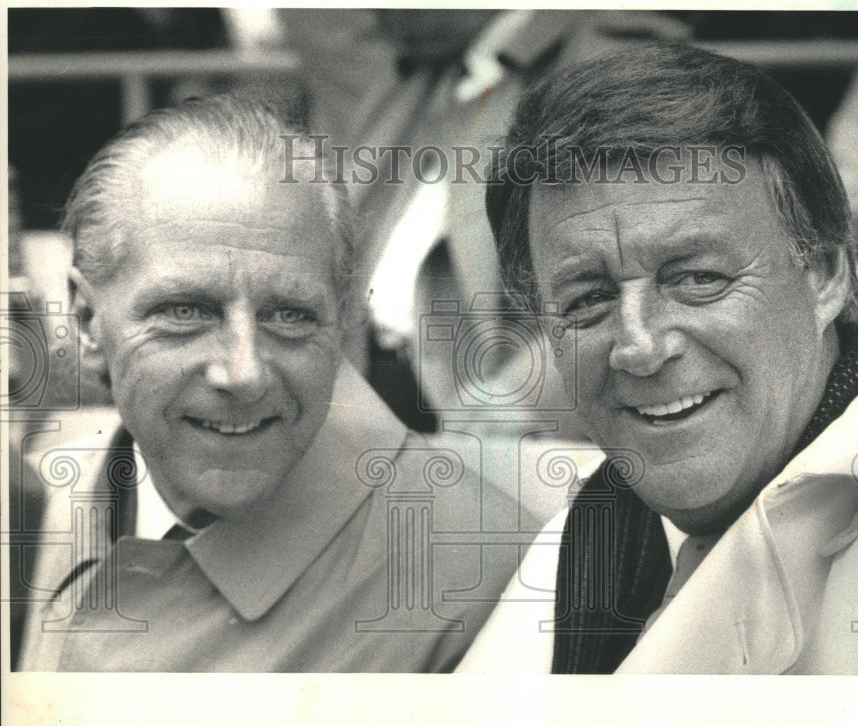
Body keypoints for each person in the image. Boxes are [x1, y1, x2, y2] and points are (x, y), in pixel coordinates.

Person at [457, 43, 858, 675]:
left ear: (823, 276)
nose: (639, 345)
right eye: (589, 298)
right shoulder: (586, 542)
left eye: (696, 278)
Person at [17, 94, 521, 672]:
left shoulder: (481, 575)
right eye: (186, 312)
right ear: (86, 320)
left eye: (289, 315)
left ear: (344, 319)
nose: (244, 372)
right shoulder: (48, 500)